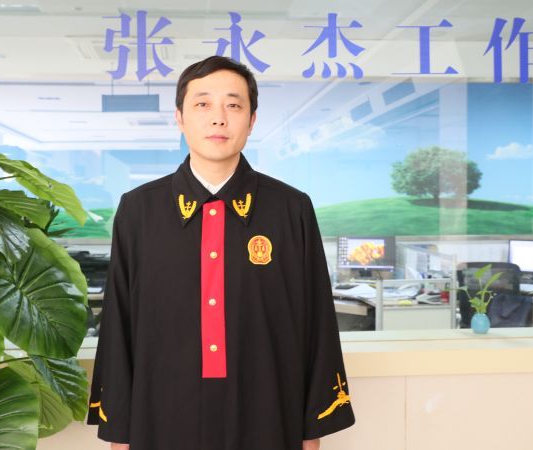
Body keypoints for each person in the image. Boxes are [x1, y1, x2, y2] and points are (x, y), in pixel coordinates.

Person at [88, 55, 355, 450]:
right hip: (161, 418)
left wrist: (310, 434)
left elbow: (317, 325)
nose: (218, 118)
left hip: (268, 417)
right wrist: (119, 435)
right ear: (180, 118)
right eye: (202, 104)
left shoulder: (291, 208)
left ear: (252, 120)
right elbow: (118, 324)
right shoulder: (139, 210)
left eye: (233, 105)